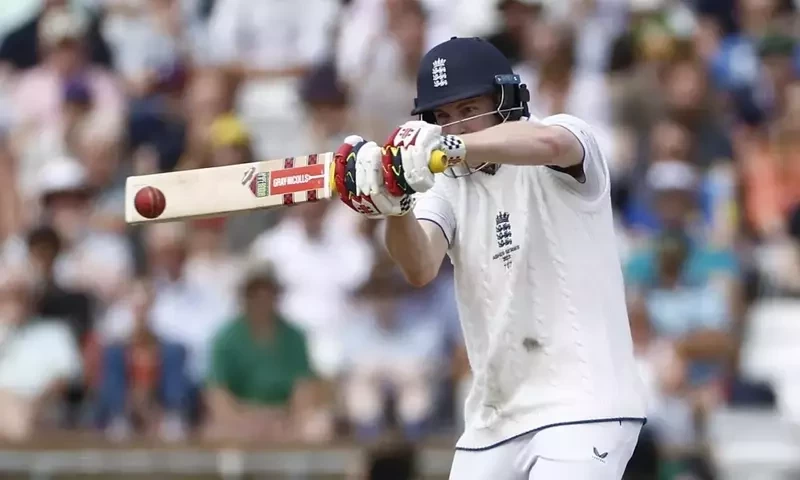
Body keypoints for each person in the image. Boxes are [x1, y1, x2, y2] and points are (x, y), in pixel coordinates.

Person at [333, 36, 647, 479]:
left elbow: (550, 145)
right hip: (493, 419)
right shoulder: (448, 184)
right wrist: (395, 202)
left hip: (583, 404)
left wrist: (452, 149)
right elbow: (420, 265)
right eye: (443, 118)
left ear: (507, 99)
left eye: (468, 111)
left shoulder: (564, 134)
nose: (456, 128)